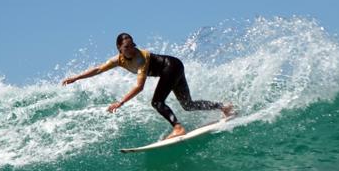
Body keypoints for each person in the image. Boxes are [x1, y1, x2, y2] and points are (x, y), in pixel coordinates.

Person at [62, 33, 233, 139]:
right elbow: (98, 69)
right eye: (126, 47)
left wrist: (120, 102)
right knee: (187, 105)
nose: (131, 49)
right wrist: (77, 78)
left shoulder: (140, 58)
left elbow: (140, 86)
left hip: (171, 66)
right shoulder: (118, 60)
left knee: (157, 102)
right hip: (174, 66)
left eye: (132, 45)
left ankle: (178, 128)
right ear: (119, 48)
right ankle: (223, 107)